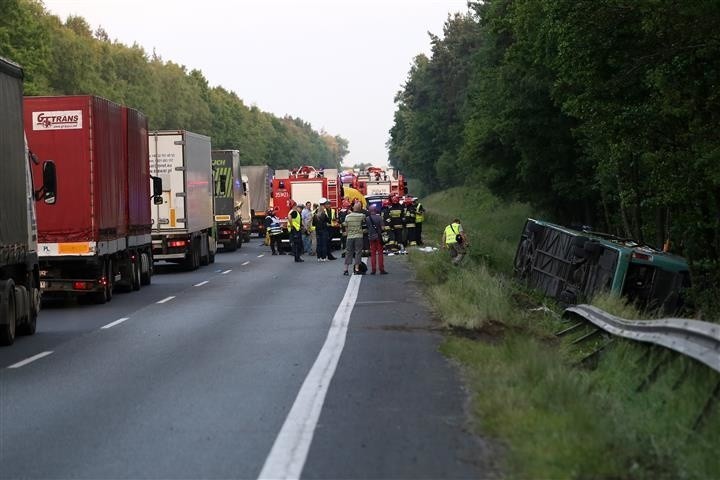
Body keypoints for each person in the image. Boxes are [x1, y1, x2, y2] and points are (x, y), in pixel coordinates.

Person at [343, 202, 366, 275]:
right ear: (360, 208)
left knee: (348, 252)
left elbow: (345, 226)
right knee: (358, 252)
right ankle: (356, 269)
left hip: (350, 237)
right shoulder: (362, 216)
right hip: (359, 236)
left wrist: (347, 233)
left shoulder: (347, 216)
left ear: (353, 208)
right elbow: (364, 224)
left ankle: (346, 270)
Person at [366, 205, 387, 274]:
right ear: (375, 210)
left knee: (373, 254)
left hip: (371, 237)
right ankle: (381, 269)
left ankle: (373, 270)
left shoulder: (367, 218)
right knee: (380, 253)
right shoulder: (379, 217)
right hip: (378, 237)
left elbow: (366, 228)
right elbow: (383, 228)